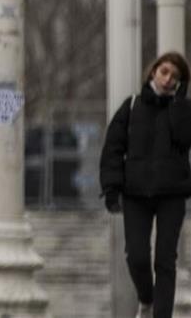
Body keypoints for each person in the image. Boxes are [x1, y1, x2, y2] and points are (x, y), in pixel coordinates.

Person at [100, 51, 191, 318]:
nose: (167, 79)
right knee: (136, 256)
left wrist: (178, 102)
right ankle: (146, 298)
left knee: (165, 261)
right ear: (153, 72)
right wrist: (111, 188)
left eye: (175, 77)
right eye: (164, 72)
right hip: (136, 193)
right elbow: (113, 149)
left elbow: (185, 139)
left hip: (171, 194)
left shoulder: (183, 110)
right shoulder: (131, 107)